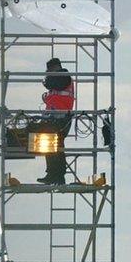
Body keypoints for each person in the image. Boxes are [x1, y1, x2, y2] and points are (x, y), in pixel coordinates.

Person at [36, 57, 74, 185]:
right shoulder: (58, 79)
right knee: (50, 145)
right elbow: (51, 87)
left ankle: (58, 175)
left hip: (61, 117)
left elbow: (51, 84)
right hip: (53, 117)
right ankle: (52, 174)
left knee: (56, 146)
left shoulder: (64, 76)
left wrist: (47, 81)